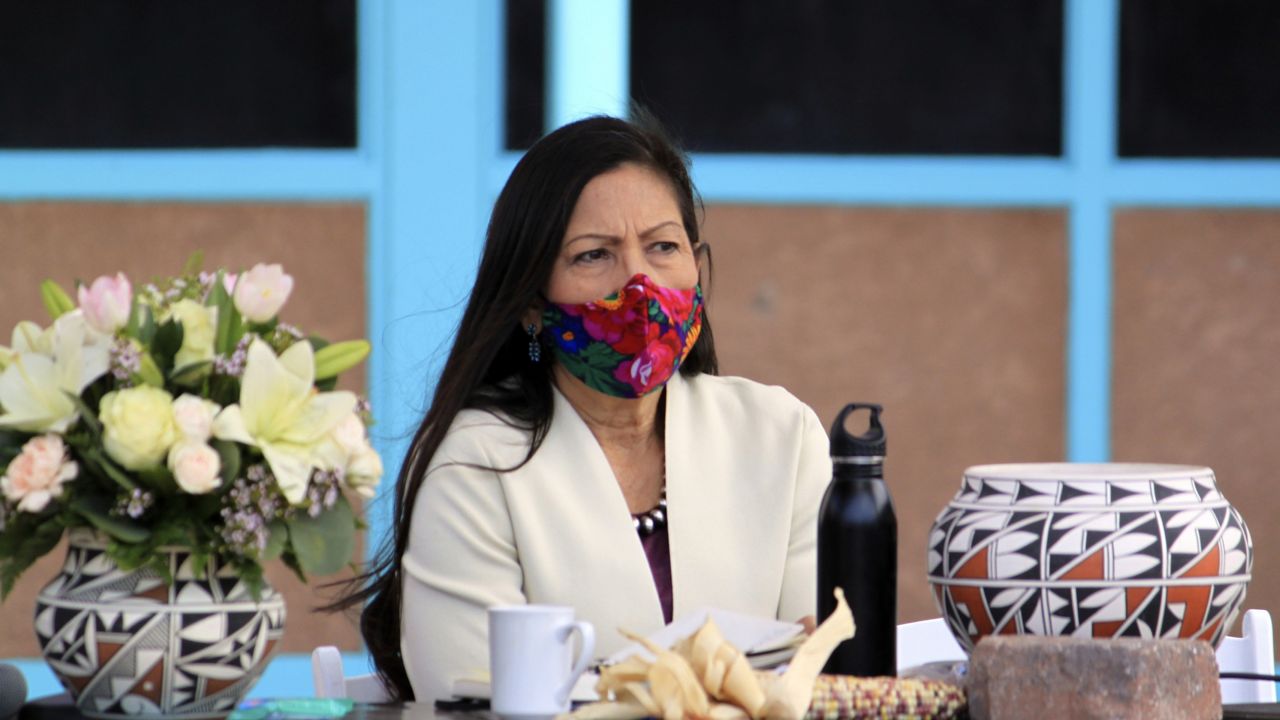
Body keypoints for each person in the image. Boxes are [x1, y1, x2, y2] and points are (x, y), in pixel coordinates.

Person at [334, 114, 832, 703]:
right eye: (594, 255)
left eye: (663, 247)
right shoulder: (477, 465)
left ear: (697, 266)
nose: (639, 283)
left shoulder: (781, 435)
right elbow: (470, 697)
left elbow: (824, 674)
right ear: (530, 304)